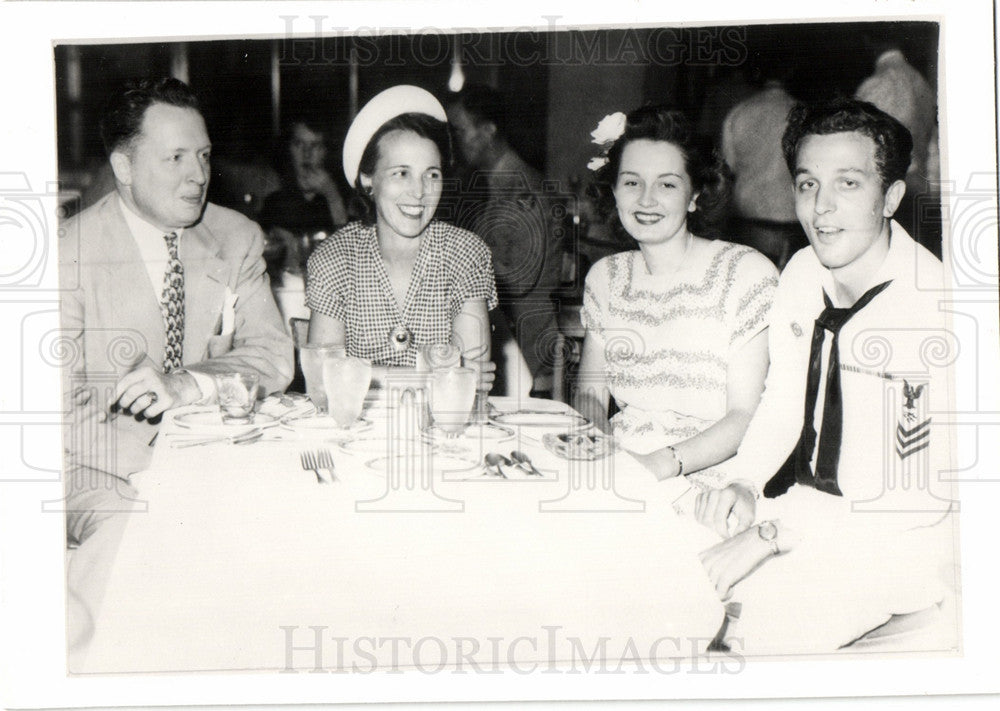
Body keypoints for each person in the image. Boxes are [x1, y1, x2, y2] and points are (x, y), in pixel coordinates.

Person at [694, 98, 957, 652]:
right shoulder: (802, 270)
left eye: (849, 185)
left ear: (891, 198)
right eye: (809, 184)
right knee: (661, 568)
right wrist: (743, 480)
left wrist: (769, 534)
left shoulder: (930, 306)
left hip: (897, 539)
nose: (822, 208)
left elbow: (907, 501)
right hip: (805, 513)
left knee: (759, 634)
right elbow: (783, 400)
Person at [59, 77, 294, 545]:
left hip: (218, 459)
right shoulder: (67, 253)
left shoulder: (236, 237)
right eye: (176, 158)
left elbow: (273, 355)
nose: (199, 175)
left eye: (203, 155)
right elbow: (54, 409)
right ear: (123, 167)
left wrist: (187, 384)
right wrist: (171, 466)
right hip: (98, 472)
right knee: (142, 544)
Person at [575, 106, 778, 482]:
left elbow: (745, 416)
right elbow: (590, 398)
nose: (646, 199)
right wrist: (597, 457)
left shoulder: (744, 274)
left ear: (694, 195)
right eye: (632, 182)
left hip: (714, 475)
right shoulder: (606, 278)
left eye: (667, 184)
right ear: (614, 191)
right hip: (622, 465)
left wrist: (655, 466)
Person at [306, 85, 497, 387]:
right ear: (368, 179)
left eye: (431, 174)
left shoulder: (465, 253)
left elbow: (469, 388)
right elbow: (320, 380)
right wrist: (432, 375)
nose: (419, 191)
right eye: (401, 173)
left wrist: (361, 373)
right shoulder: (335, 258)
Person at [447, 84, 562, 396]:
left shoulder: (527, 191)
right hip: (497, 338)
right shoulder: (489, 189)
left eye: (459, 130)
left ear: (488, 131)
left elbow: (519, 280)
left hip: (524, 347)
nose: (455, 143)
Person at [855, 37, 940, 256]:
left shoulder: (878, 82)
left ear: (869, 44)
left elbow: (857, 142)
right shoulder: (921, 82)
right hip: (918, 187)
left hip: (890, 189)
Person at [720, 58, 806, 268]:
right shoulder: (803, 114)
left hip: (749, 217)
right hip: (793, 217)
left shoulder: (740, 112)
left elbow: (727, 168)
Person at [258, 115, 349, 279]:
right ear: (289, 149)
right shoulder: (275, 201)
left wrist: (333, 196)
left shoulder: (345, 197)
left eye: (315, 145)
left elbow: (352, 256)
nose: (306, 154)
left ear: (326, 152)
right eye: (299, 144)